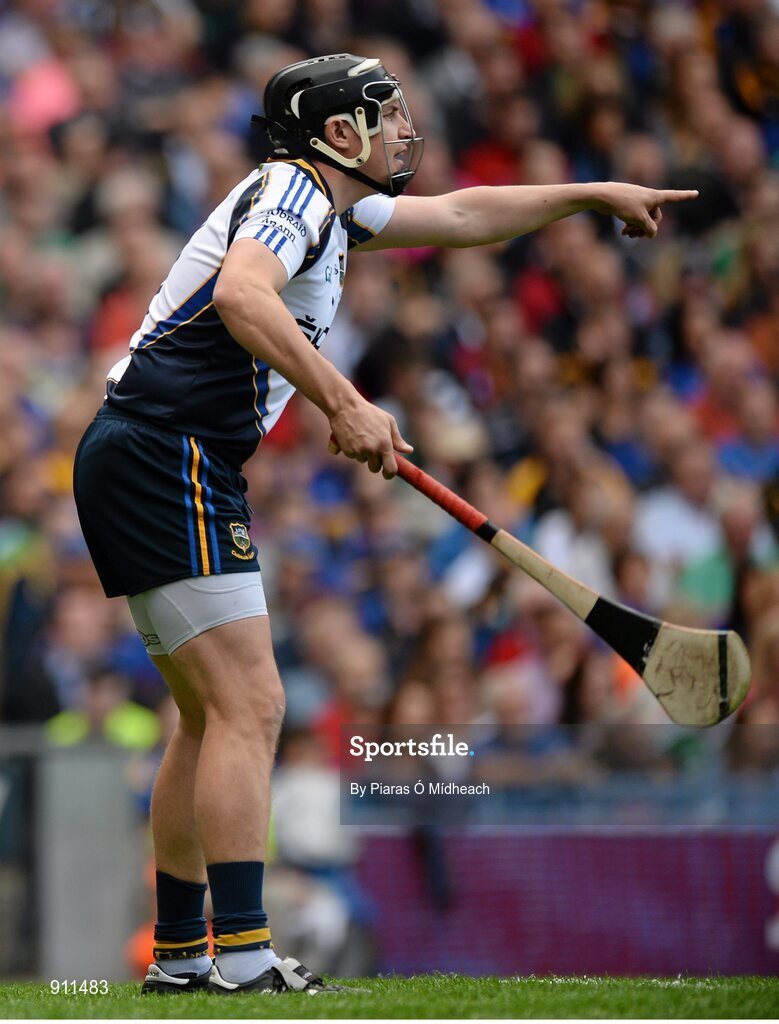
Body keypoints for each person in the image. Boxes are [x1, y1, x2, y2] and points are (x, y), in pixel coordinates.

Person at [72, 53, 698, 996]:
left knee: (209, 716)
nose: (404, 130)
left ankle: (181, 958)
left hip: (155, 454)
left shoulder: (327, 205)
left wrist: (589, 192)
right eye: (382, 115)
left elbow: (459, 216)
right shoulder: (291, 191)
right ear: (335, 137)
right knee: (252, 707)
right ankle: (240, 956)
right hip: (169, 455)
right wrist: (344, 404)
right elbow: (243, 296)